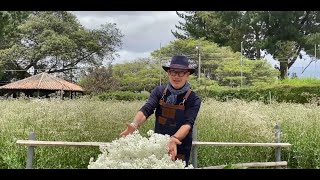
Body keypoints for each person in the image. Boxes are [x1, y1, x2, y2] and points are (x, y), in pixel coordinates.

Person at [120, 55, 201, 167]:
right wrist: (135, 124)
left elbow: (188, 123)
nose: (176, 76)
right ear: (168, 73)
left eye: (181, 73)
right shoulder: (159, 91)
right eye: (173, 72)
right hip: (157, 145)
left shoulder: (194, 98)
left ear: (187, 75)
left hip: (179, 147)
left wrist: (174, 138)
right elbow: (147, 109)